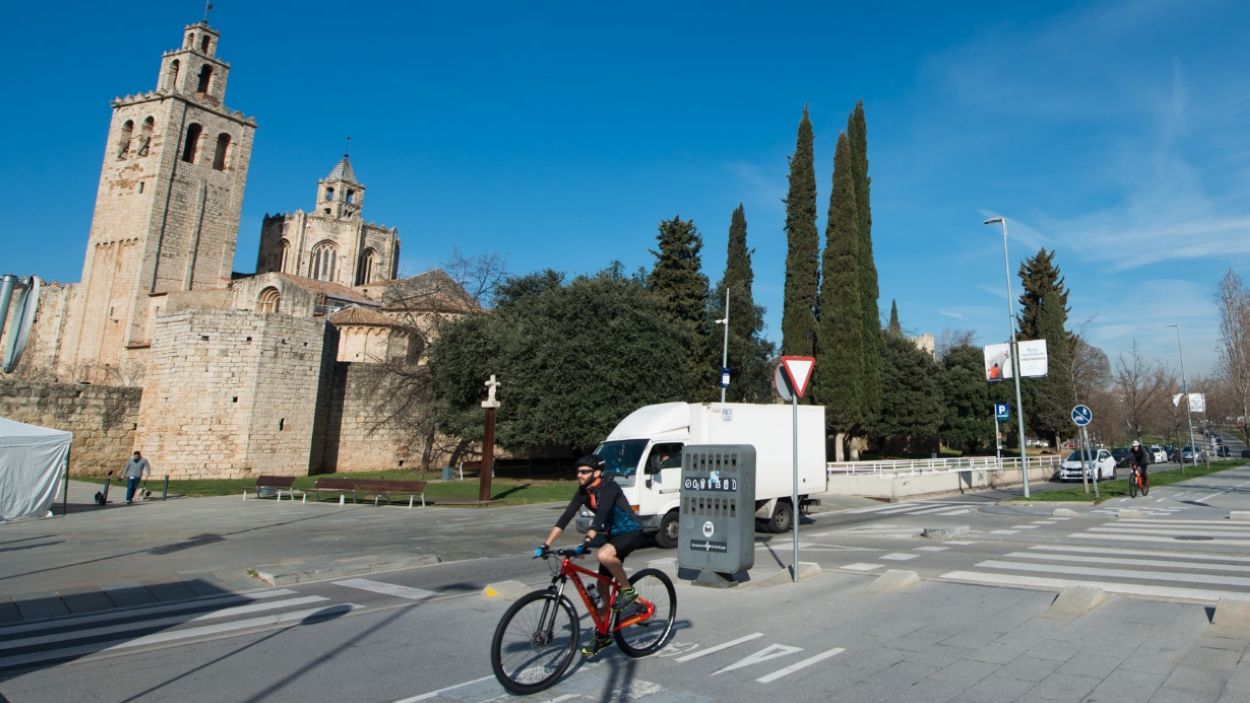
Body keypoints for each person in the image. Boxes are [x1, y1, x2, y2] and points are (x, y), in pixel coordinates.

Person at [537, 454, 643, 657]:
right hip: (613, 535)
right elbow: (565, 517)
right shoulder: (583, 492)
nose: (579, 475)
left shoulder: (609, 487)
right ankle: (603, 636)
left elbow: (601, 516)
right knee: (603, 587)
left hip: (631, 531)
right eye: (578, 471)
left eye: (584, 471)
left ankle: (628, 591)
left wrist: (586, 542)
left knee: (604, 555)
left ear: (597, 473)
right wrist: (545, 544)